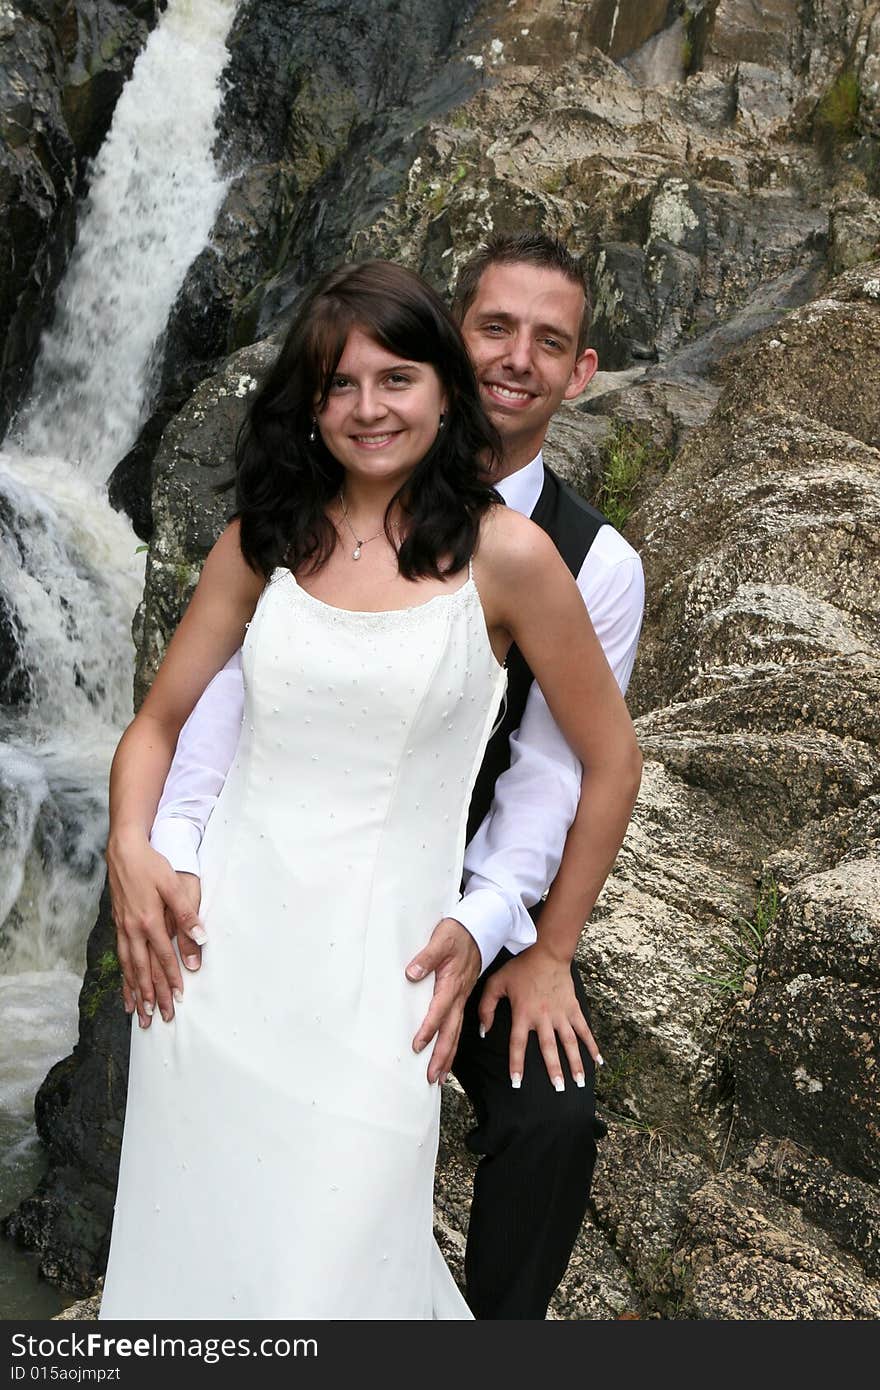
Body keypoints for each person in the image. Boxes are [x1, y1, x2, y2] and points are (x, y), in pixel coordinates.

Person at [105, 245, 644, 1319]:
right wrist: (134, 847)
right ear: (308, 407)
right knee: (197, 1261)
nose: (366, 407)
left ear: (441, 390)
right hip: (225, 954)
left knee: (337, 1264)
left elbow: (602, 759)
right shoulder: (264, 544)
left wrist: (543, 945)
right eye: (338, 385)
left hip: (382, 965)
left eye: (394, 379)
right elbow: (164, 721)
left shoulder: (519, 558)